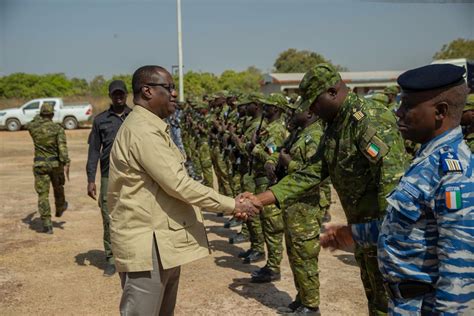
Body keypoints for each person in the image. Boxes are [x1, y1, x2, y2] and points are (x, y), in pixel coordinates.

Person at [251, 63, 408, 316]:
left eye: (315, 102)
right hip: (364, 233)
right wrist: (261, 199)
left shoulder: (368, 119)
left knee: (390, 303)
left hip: (382, 235)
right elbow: (311, 171)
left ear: (333, 92)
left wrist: (379, 236)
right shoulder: (335, 125)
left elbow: (392, 187)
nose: (311, 110)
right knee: (376, 300)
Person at [107, 65, 261, 316]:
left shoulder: (152, 126)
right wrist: (233, 205)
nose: (174, 94)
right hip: (147, 245)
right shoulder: (143, 131)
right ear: (147, 91)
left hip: (160, 242)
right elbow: (179, 184)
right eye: (168, 88)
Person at [321, 63, 474, 315]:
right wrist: (353, 233)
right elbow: (405, 225)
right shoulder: (427, 159)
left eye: (408, 105)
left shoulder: (453, 173)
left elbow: (460, 272)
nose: (398, 112)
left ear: (440, 111)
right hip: (404, 304)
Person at [86, 80, 131, 276]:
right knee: (108, 217)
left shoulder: (136, 117)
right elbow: (94, 150)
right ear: (110, 96)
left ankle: (131, 257)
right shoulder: (100, 120)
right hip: (107, 175)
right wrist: (90, 179)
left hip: (132, 175)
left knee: (133, 215)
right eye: (115, 94)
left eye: (121, 93)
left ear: (127, 94)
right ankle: (111, 258)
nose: (119, 97)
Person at [27, 102, 70, 234]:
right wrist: (66, 162)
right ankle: (60, 207)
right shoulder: (57, 129)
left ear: (41, 114)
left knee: (43, 195)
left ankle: (47, 224)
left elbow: (31, 122)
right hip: (55, 165)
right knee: (59, 188)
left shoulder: (33, 127)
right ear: (52, 114)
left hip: (40, 166)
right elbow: (62, 149)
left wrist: (38, 117)